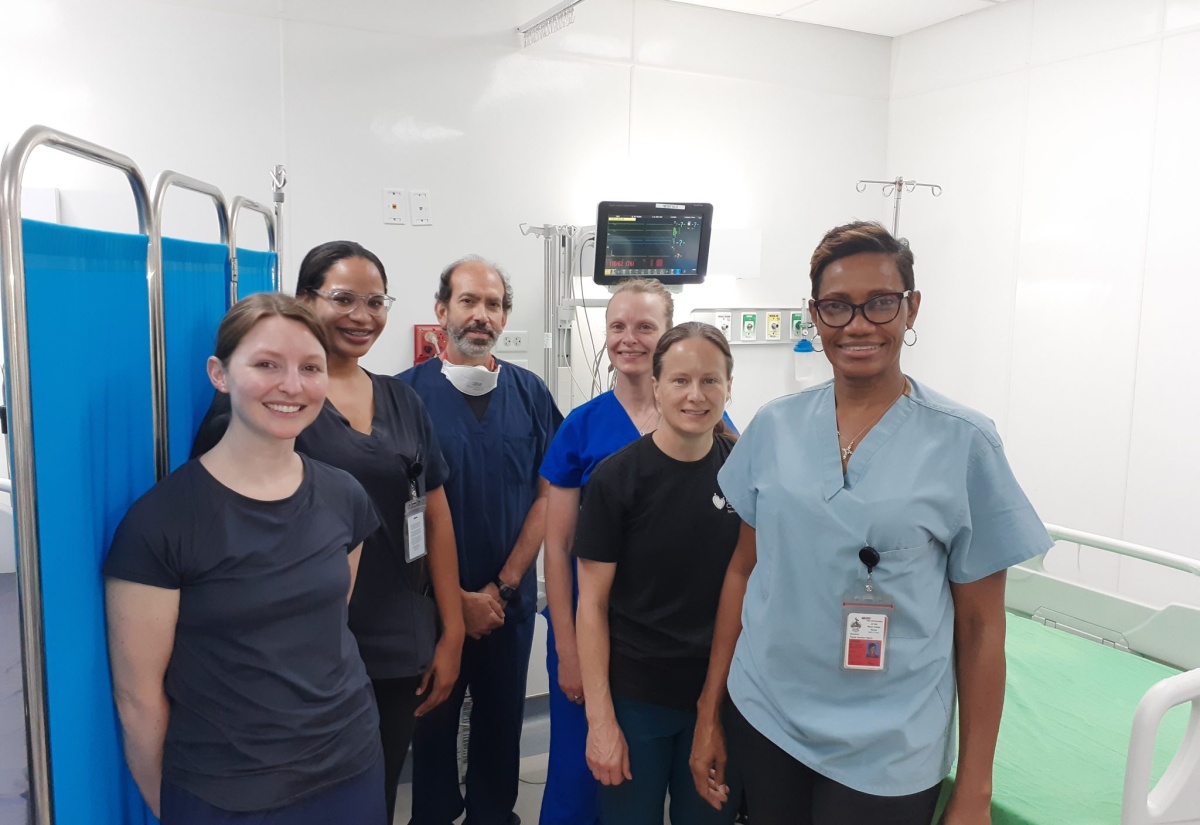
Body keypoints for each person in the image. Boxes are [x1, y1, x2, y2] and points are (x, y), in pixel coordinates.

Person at [689, 221, 1053, 825]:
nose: (858, 324)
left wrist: (975, 789)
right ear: (814, 315)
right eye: (837, 307)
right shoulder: (774, 427)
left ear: (911, 309)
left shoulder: (963, 442)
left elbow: (982, 627)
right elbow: (742, 570)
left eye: (880, 303)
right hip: (766, 714)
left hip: (889, 748)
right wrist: (710, 710)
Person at [190, 242, 464, 824]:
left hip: (396, 642)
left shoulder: (402, 398)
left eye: (375, 301)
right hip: (294, 653)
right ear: (303, 299)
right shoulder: (268, 404)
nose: (361, 315)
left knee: (374, 798)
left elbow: (434, 514)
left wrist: (451, 629)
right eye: (342, 298)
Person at [105, 293, 386, 823]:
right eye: (266, 365)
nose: (292, 386)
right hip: (227, 791)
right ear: (220, 373)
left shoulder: (344, 495)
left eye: (310, 368)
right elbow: (138, 701)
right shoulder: (162, 523)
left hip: (351, 767)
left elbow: (330, 626)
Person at [397, 255, 562, 825]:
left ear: (505, 316)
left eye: (493, 304)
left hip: (507, 602)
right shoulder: (401, 398)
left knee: (501, 724)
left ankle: (496, 816)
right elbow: (397, 509)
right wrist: (453, 603)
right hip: (428, 608)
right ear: (442, 311)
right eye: (468, 301)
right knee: (433, 721)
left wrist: (504, 584)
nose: (481, 315)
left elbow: (550, 493)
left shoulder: (531, 394)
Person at [575, 322, 742, 825]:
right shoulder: (616, 479)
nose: (696, 395)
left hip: (722, 694)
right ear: (656, 385)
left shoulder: (744, 470)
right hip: (637, 696)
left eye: (710, 381)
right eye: (680, 381)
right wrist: (601, 720)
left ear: (729, 387)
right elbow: (592, 605)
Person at [538, 278, 676, 825]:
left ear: (667, 334)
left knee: (642, 770)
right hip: (585, 622)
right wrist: (567, 648)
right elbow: (559, 543)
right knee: (579, 769)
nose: (629, 339)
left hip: (663, 633)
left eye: (645, 326)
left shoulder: (701, 421)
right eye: (617, 326)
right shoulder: (582, 427)